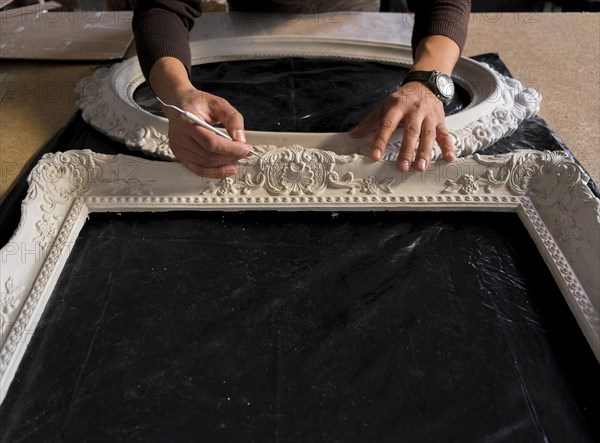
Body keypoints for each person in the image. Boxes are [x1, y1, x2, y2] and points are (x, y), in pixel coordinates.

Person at [132, 0, 471, 178]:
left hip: (363, 29)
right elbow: (162, 5)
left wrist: (429, 81)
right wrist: (177, 96)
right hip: (246, 30)